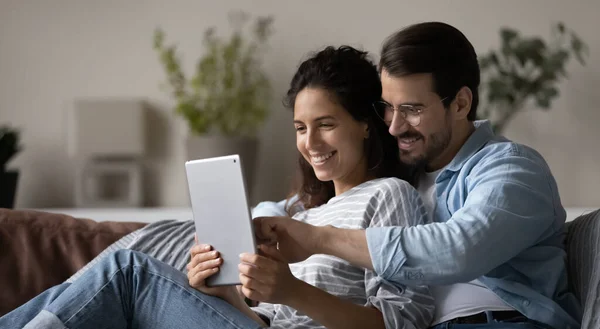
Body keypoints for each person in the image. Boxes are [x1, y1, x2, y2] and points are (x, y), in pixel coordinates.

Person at [19, 46, 434, 329]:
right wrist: (222, 292)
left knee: (127, 271)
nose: (310, 143)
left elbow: (405, 319)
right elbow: (264, 320)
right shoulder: (301, 216)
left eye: (326, 124)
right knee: (93, 289)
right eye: (301, 128)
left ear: (365, 123)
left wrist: (293, 291)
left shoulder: (388, 196)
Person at [252, 22, 582, 329]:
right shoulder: (405, 173)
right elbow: (285, 209)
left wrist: (318, 239)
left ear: (461, 104)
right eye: (387, 108)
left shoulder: (510, 169)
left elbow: (457, 249)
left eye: (412, 109)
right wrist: (257, 229)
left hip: (499, 321)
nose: (394, 126)